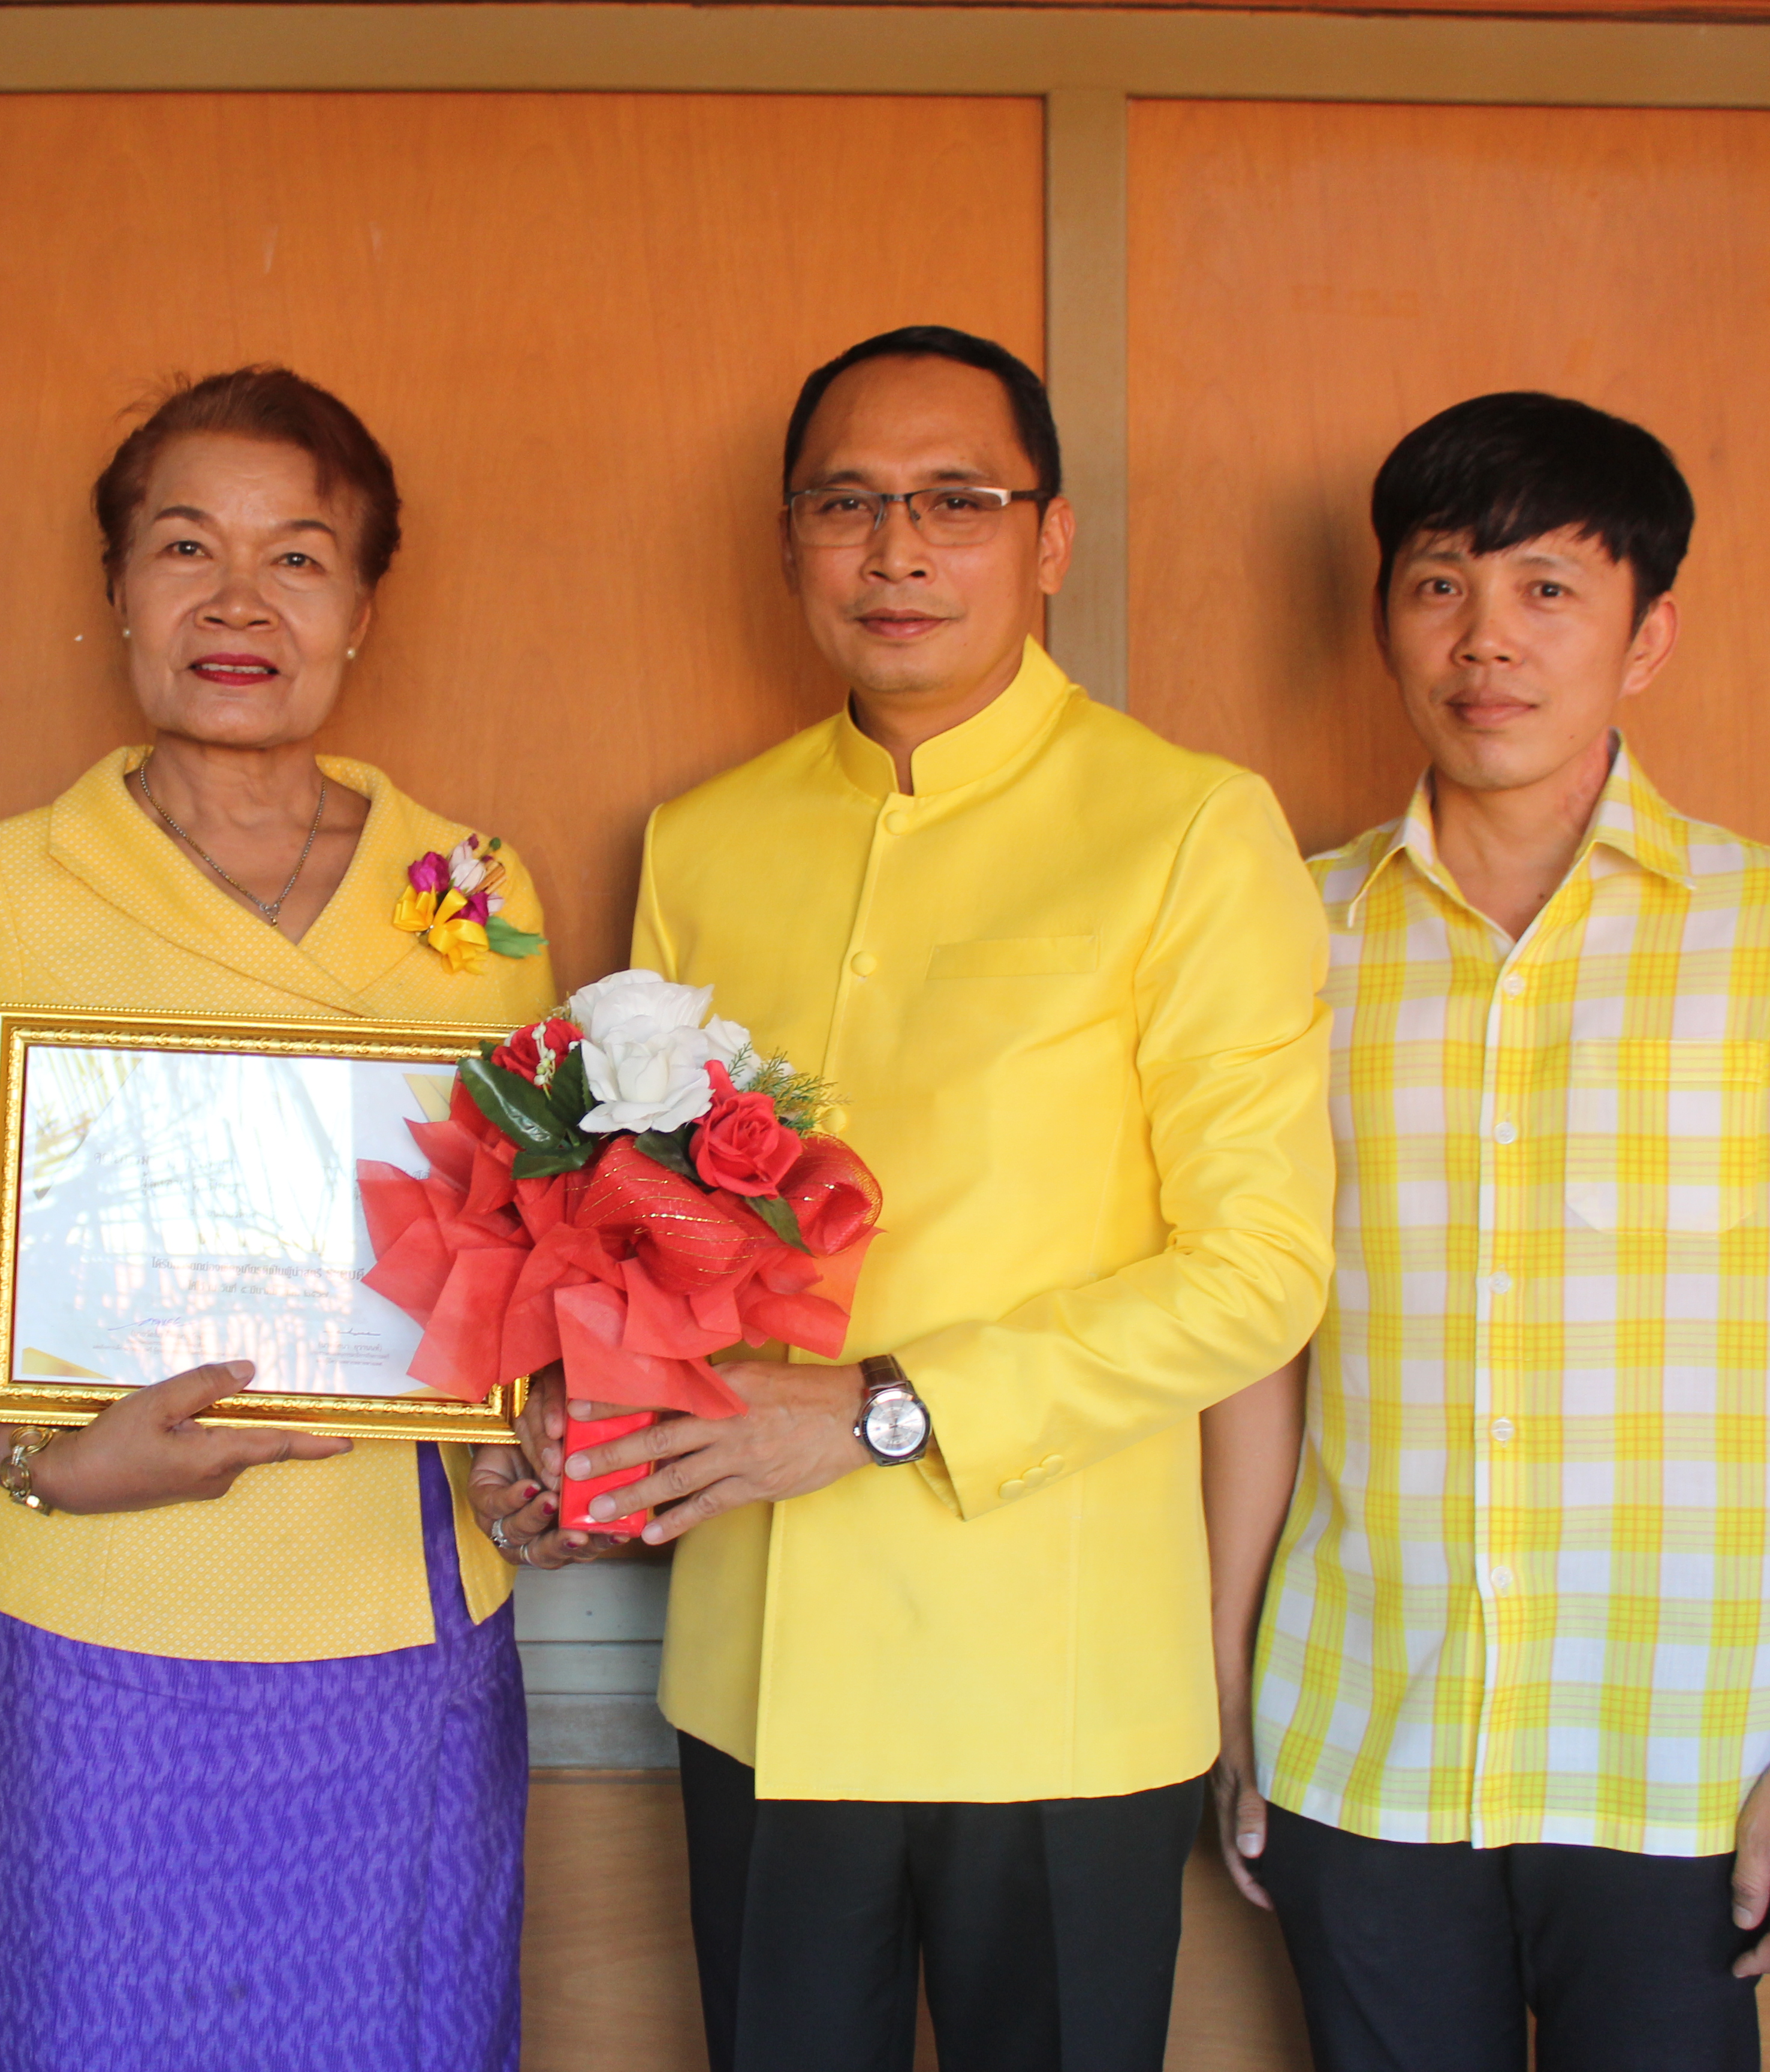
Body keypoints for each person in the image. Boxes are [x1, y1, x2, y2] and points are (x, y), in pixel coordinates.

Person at [553, 325, 1334, 2072]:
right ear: (789, 543)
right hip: (760, 1667)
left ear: (1050, 540)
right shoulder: (706, 839)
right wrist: (575, 1420)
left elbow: (1260, 1272)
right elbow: (648, 1229)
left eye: (956, 502)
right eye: (848, 503)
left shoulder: (1189, 829)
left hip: (1047, 1684)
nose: (898, 549)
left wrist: (889, 1413)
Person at [0, 366, 560, 2072]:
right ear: (117, 593)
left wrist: (537, 1449)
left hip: (400, 1658)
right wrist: (40, 1455)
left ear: (365, 605)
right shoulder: (9, 894)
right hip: (84, 1655)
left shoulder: (478, 896)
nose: (236, 599)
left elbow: (530, 1280)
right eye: (184, 546)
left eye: (297, 555)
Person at [1207, 392, 1770, 2072]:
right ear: (1384, 619)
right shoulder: (1288, 934)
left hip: (1687, 1760)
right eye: (1440, 585)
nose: (1487, 641)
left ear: (1648, 636)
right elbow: (1256, 1345)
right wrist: (1227, 1692)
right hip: (1361, 1739)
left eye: (1550, 588)